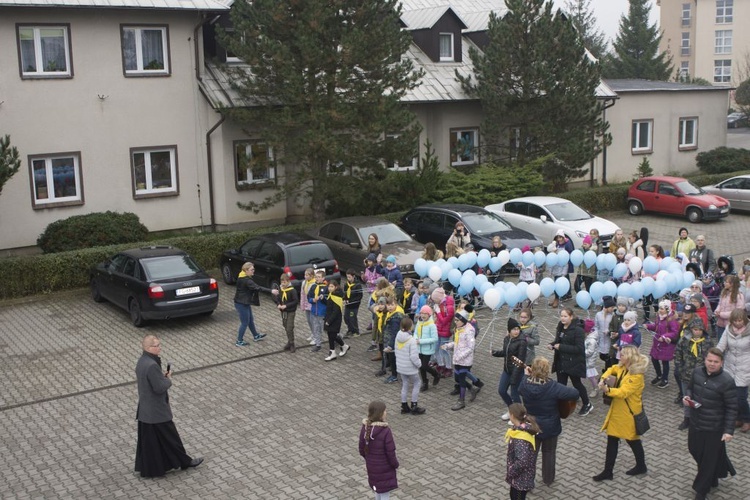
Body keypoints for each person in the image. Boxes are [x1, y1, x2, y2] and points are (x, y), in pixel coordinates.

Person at [134, 335, 202, 477]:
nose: (160, 347)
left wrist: (160, 377)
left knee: (151, 443)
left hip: (146, 411)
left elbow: (151, 381)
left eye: (159, 344)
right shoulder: (151, 365)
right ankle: (185, 462)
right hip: (156, 411)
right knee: (171, 438)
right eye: (156, 345)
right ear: (148, 348)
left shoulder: (142, 361)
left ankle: (153, 468)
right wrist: (168, 379)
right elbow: (159, 388)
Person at [685, 348, 737, 500]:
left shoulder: (727, 381)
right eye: (709, 360)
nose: (712, 364)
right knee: (694, 450)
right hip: (696, 422)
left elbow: (732, 408)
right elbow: (689, 388)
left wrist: (728, 431)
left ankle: (702, 491)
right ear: (705, 359)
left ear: (721, 363)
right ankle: (714, 475)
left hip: (714, 427)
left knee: (708, 459)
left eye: (716, 362)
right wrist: (687, 398)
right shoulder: (697, 372)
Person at [519, 357, 579, 486]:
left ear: (532, 369)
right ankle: (548, 479)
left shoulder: (524, 384)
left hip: (531, 425)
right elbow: (575, 393)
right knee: (549, 452)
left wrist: (525, 376)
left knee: (530, 455)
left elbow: (519, 390)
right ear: (547, 371)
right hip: (550, 426)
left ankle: (528, 481)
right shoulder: (553, 386)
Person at [593, 345, 649, 481]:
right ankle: (608, 471)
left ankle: (641, 466)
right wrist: (603, 378)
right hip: (619, 412)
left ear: (629, 357)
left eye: (623, 354)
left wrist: (607, 390)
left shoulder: (636, 376)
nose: (620, 356)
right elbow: (611, 369)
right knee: (613, 439)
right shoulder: (623, 368)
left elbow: (623, 392)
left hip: (628, 414)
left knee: (633, 440)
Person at [550, 308, 593, 416]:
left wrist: (561, 347)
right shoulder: (560, 326)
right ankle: (561, 406)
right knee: (561, 385)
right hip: (561, 362)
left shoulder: (578, 330)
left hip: (573, 363)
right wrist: (552, 345)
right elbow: (558, 341)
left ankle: (587, 404)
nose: (563, 318)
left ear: (571, 317)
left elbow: (579, 349)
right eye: (561, 316)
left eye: (565, 316)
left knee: (577, 384)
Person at [675, 319, 715, 430]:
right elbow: (678, 354)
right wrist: (680, 368)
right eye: (695, 329)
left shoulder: (707, 342)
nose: (697, 332)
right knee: (687, 398)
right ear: (691, 329)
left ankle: (700, 419)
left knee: (702, 398)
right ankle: (687, 419)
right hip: (686, 374)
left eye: (699, 330)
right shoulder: (684, 340)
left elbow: (712, 357)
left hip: (702, 376)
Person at [716, 309, 750, 433]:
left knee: (741, 397)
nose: (737, 323)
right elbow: (721, 345)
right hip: (730, 366)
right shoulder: (728, 329)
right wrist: (715, 355)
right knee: (731, 396)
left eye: (740, 320)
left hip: (745, 367)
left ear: (744, 319)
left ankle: (747, 419)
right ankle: (738, 418)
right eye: (735, 321)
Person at [359, 401, 399, 500]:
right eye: (385, 411)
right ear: (380, 413)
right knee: (385, 494)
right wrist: (395, 464)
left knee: (377, 490)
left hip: (372, 467)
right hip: (385, 468)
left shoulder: (365, 428)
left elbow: (361, 449)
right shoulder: (385, 431)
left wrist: (369, 459)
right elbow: (390, 452)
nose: (386, 412)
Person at [442, 309, 479, 410]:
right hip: (457, 359)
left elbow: (470, 348)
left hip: (465, 360)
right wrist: (448, 345)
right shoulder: (458, 329)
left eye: (457, 320)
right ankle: (472, 388)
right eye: (455, 320)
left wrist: (460, 356)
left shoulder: (469, 330)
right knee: (457, 378)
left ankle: (461, 401)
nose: (455, 322)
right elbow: (457, 343)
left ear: (463, 320)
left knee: (461, 379)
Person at [493, 318, 528, 421]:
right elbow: (506, 352)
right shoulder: (507, 339)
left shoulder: (522, 342)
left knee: (515, 395)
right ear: (509, 330)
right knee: (502, 391)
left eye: (517, 329)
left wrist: (514, 378)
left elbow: (520, 361)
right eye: (514, 329)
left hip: (517, 372)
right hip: (507, 370)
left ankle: (519, 417)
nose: (516, 331)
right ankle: (511, 410)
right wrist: (495, 353)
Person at [234, 262, 276, 347]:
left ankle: (256, 336)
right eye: (252, 270)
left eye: (254, 269)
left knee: (250, 320)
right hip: (241, 303)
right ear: (246, 270)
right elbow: (258, 288)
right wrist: (271, 291)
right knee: (245, 322)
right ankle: (239, 341)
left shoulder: (241, 276)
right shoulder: (247, 280)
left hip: (244, 302)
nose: (253, 271)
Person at [504, 403, 541, 500]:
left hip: (521, 478)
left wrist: (511, 471)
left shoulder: (521, 438)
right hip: (520, 478)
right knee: (513, 495)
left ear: (512, 416)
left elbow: (522, 461)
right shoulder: (523, 428)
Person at [394, 317, 426, 415]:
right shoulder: (411, 340)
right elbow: (413, 356)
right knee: (417, 383)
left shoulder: (398, 336)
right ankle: (414, 405)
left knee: (405, 384)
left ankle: (404, 406)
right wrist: (419, 364)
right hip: (410, 367)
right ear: (410, 327)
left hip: (401, 366)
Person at [645, 299, 679, 388]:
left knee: (665, 362)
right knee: (654, 359)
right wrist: (648, 326)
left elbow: (675, 332)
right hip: (657, 343)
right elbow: (656, 327)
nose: (660, 310)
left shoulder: (671, 319)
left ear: (667, 309)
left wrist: (664, 336)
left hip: (666, 345)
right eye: (659, 308)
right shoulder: (659, 317)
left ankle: (665, 379)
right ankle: (659, 375)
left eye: (662, 308)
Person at [414, 305, 441, 392]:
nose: (423, 315)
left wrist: (421, 341)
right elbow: (415, 333)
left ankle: (436, 374)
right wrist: (415, 339)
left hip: (427, 349)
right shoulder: (419, 322)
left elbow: (435, 339)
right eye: (421, 313)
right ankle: (425, 382)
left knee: (424, 366)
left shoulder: (432, 325)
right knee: (420, 367)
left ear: (429, 314)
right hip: (419, 348)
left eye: (425, 313)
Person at [323, 279, 350, 361]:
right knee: (331, 335)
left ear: (336, 287)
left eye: (332, 286)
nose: (330, 288)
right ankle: (343, 347)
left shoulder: (336, 297)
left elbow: (335, 312)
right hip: (329, 318)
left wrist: (329, 321)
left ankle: (333, 352)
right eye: (329, 286)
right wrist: (322, 299)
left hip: (335, 320)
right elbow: (328, 305)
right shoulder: (331, 295)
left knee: (332, 336)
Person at [432, 287, 455, 378]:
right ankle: (440, 365)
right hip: (438, 330)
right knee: (436, 349)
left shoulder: (449, 306)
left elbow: (444, 321)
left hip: (445, 332)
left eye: (435, 300)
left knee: (444, 350)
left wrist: (437, 312)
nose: (434, 302)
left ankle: (448, 368)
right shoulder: (441, 304)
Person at [274, 273, 299, 353]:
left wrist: (286, 306)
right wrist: (278, 304)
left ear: (288, 282)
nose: (283, 284)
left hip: (290, 311)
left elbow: (295, 301)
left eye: (284, 282)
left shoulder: (292, 290)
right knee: (285, 325)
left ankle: (292, 344)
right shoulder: (281, 290)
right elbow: (277, 298)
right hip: (283, 312)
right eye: (282, 282)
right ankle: (289, 341)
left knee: (289, 327)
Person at [715, 274, 743, 339]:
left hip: (731, 324)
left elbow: (738, 311)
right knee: (720, 340)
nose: (724, 283)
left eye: (726, 282)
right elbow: (720, 304)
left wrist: (722, 314)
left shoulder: (738, 296)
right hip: (721, 324)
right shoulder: (724, 293)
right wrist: (717, 310)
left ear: (732, 284)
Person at [307, 269, 329, 353]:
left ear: (323, 278)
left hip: (322, 312)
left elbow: (328, 300)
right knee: (316, 328)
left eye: (319, 277)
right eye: (316, 277)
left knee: (326, 329)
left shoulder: (326, 287)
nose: (317, 279)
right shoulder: (313, 287)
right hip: (314, 312)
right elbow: (308, 297)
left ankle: (337, 338)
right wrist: (313, 300)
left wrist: (323, 298)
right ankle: (318, 344)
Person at [595, 296, 616, 368]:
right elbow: (596, 326)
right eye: (612, 307)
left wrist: (609, 332)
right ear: (606, 306)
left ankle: (607, 374)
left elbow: (614, 327)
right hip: (601, 340)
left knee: (609, 359)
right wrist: (596, 335)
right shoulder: (598, 315)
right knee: (602, 356)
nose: (613, 309)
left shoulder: (613, 315)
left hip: (610, 341)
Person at [344, 269, 363, 338]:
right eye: (347, 277)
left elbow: (359, 296)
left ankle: (356, 331)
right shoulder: (346, 284)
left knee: (352, 318)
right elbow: (345, 293)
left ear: (353, 276)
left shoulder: (357, 285)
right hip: (347, 305)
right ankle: (350, 329)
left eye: (349, 277)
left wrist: (351, 301)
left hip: (354, 305)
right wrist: (345, 299)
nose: (348, 278)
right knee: (346, 317)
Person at [300, 268, 315, 344]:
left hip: (312, 305)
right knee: (309, 321)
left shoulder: (314, 284)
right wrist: (302, 305)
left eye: (307, 275)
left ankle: (316, 337)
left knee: (313, 321)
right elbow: (302, 294)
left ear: (312, 276)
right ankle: (313, 334)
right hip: (306, 305)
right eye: (304, 275)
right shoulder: (304, 283)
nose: (305, 276)